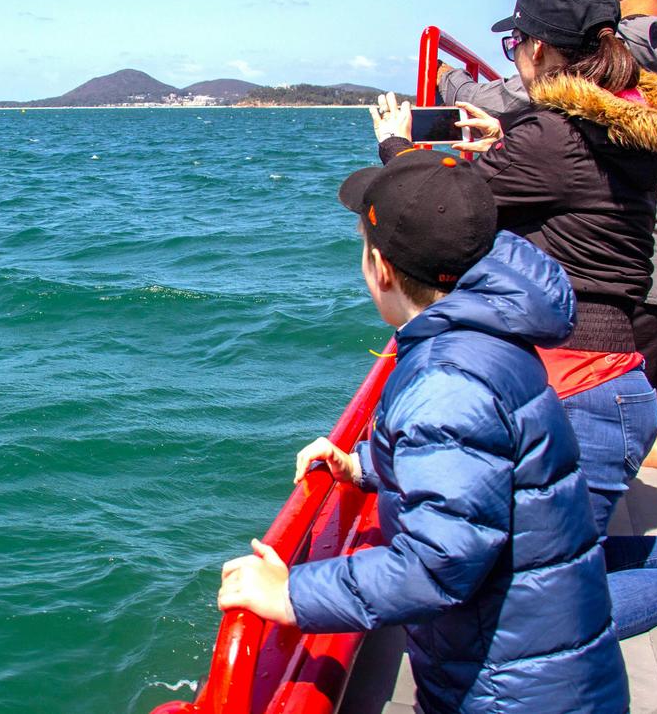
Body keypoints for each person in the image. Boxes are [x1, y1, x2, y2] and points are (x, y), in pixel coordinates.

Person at [219, 149, 627, 713]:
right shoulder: (486, 331)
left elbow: (438, 563)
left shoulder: (445, 382)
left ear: (381, 269)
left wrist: (291, 593)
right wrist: (366, 465)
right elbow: (480, 466)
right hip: (543, 661)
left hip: (508, 689)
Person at [377, 0, 657, 533]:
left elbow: (440, 208)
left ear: (536, 47)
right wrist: (507, 140)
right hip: (612, 368)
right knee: (547, 567)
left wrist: (396, 147)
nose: (514, 53)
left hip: (576, 380)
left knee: (541, 597)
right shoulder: (624, 129)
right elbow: (574, 183)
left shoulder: (551, 137)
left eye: (513, 42)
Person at [439, 0, 657, 499]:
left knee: (609, 411)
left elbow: (519, 110)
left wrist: (447, 90)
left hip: (653, 259)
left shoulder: (606, 51)